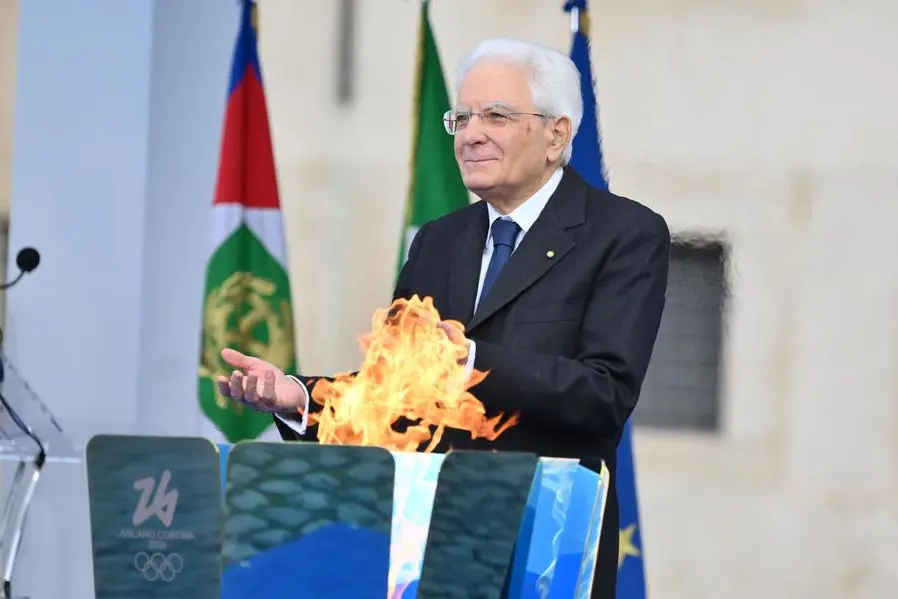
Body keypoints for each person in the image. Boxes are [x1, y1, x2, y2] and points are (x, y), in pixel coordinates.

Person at [218, 37, 670, 599]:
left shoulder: (623, 235)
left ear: (557, 134)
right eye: (462, 117)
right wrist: (302, 398)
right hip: (427, 552)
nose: (470, 135)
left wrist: (471, 361)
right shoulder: (439, 240)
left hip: (543, 549)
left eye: (496, 116)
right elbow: (393, 394)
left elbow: (605, 393)